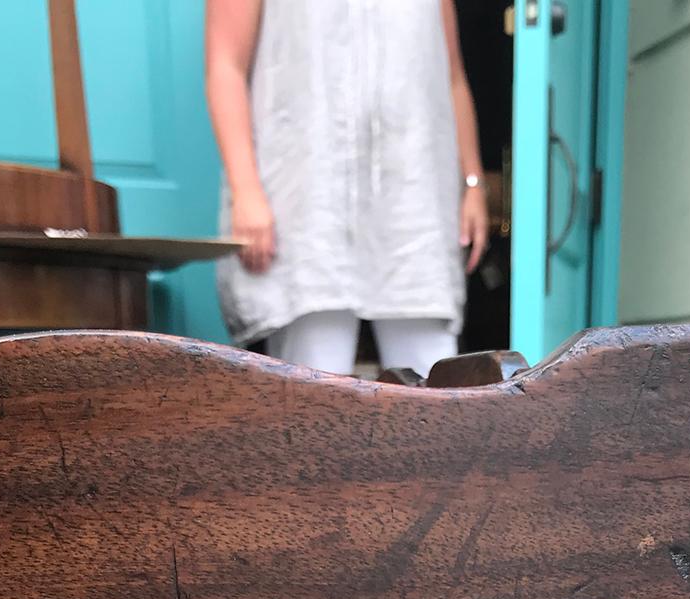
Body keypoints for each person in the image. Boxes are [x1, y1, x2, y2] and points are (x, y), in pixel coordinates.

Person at [206, 0, 489, 377]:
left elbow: (450, 76)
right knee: (313, 388)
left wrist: (472, 181)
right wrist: (246, 192)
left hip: (414, 194)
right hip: (306, 199)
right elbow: (226, 66)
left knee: (434, 384)